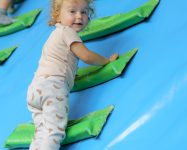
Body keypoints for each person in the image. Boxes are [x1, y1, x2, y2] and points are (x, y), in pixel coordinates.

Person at [26, 0, 118, 149]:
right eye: (72, 11)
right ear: (57, 15)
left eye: (84, 12)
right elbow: (86, 56)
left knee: (41, 132)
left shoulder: (55, 35)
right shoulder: (67, 32)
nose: (79, 16)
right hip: (52, 88)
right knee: (54, 132)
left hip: (35, 90)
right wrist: (106, 61)